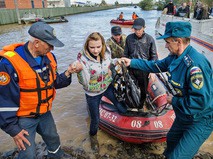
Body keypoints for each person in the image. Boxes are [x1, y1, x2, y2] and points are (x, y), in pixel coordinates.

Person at [121, 21, 213, 159]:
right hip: (183, 115)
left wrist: (174, 100)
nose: (165, 45)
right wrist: (132, 62)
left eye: (168, 42)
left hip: (200, 119)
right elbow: (155, 65)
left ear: (179, 41)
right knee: (171, 140)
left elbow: (200, 102)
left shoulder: (196, 65)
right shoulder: (174, 58)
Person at [0, 21, 81, 159]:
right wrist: (13, 130)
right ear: (36, 43)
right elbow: (4, 100)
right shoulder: (9, 64)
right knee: (27, 154)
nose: (52, 48)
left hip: (44, 113)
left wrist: (68, 72)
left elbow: (53, 83)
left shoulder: (49, 57)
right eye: (49, 44)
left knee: (53, 139)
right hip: (24, 118)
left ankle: (55, 156)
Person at [76, 32, 127, 152]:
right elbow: (84, 82)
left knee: (120, 105)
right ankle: (93, 137)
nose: (95, 50)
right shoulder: (82, 60)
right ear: (86, 46)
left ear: (102, 45)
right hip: (93, 94)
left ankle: (125, 122)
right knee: (95, 119)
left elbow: (109, 62)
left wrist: (116, 61)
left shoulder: (106, 52)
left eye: (98, 47)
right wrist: (78, 71)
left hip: (107, 87)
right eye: (92, 47)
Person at [123, 18, 158, 109]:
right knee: (131, 87)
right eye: (135, 29)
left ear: (144, 28)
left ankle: (141, 106)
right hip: (131, 68)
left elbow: (154, 56)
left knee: (143, 89)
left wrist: (153, 71)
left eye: (139, 29)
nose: (137, 31)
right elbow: (125, 54)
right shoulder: (129, 38)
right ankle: (132, 104)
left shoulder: (150, 39)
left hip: (144, 69)